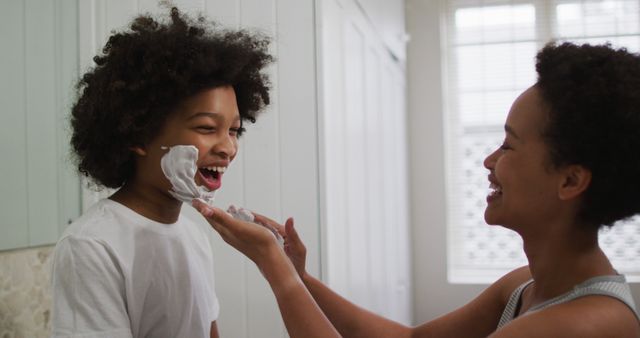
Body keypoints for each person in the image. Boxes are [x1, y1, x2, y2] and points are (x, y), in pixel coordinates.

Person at [193, 42, 640, 337]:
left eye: (509, 145)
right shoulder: (525, 286)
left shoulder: (585, 324)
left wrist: (276, 268)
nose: (488, 160)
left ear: (570, 180)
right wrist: (302, 278)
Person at [50, 7, 272, 338]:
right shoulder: (92, 246)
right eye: (208, 127)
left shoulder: (193, 236)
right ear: (140, 134)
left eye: (234, 131)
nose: (228, 148)